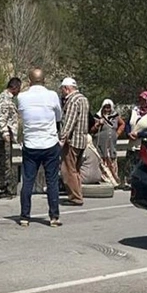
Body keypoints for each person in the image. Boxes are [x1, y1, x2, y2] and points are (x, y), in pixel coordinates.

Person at [16, 68, 63, 227]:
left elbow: (22, 115)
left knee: (28, 181)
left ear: (29, 81)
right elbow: (58, 116)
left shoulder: (22, 97)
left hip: (31, 143)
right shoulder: (52, 95)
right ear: (44, 80)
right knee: (52, 181)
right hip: (49, 142)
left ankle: (24, 216)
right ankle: (54, 216)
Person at [58, 77, 89, 206]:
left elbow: (69, 121)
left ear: (67, 88)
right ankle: (78, 194)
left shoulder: (72, 100)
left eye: (62, 89)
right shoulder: (83, 99)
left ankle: (75, 197)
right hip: (82, 139)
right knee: (76, 169)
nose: (62, 92)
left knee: (68, 170)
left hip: (72, 141)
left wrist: (62, 138)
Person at [123, 89, 147, 188]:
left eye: (144, 100)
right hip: (131, 144)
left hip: (143, 145)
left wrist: (139, 134)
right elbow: (128, 124)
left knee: (140, 166)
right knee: (129, 164)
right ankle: (127, 182)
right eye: (140, 100)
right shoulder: (135, 111)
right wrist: (128, 133)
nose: (141, 102)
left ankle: (138, 183)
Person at [0, 77, 22, 198]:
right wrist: (5, 134)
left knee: (5, 163)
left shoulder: (5, 98)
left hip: (3, 137)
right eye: (18, 88)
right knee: (4, 164)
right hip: (2, 138)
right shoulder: (5, 100)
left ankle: (4, 187)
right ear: (14, 88)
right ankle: (1, 189)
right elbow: (1, 119)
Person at [90, 98, 125, 185]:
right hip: (101, 143)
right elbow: (92, 130)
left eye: (108, 108)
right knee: (103, 161)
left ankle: (115, 180)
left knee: (112, 160)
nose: (107, 110)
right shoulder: (97, 117)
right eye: (105, 107)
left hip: (111, 144)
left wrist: (117, 134)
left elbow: (122, 124)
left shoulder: (115, 116)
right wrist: (98, 124)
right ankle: (107, 180)